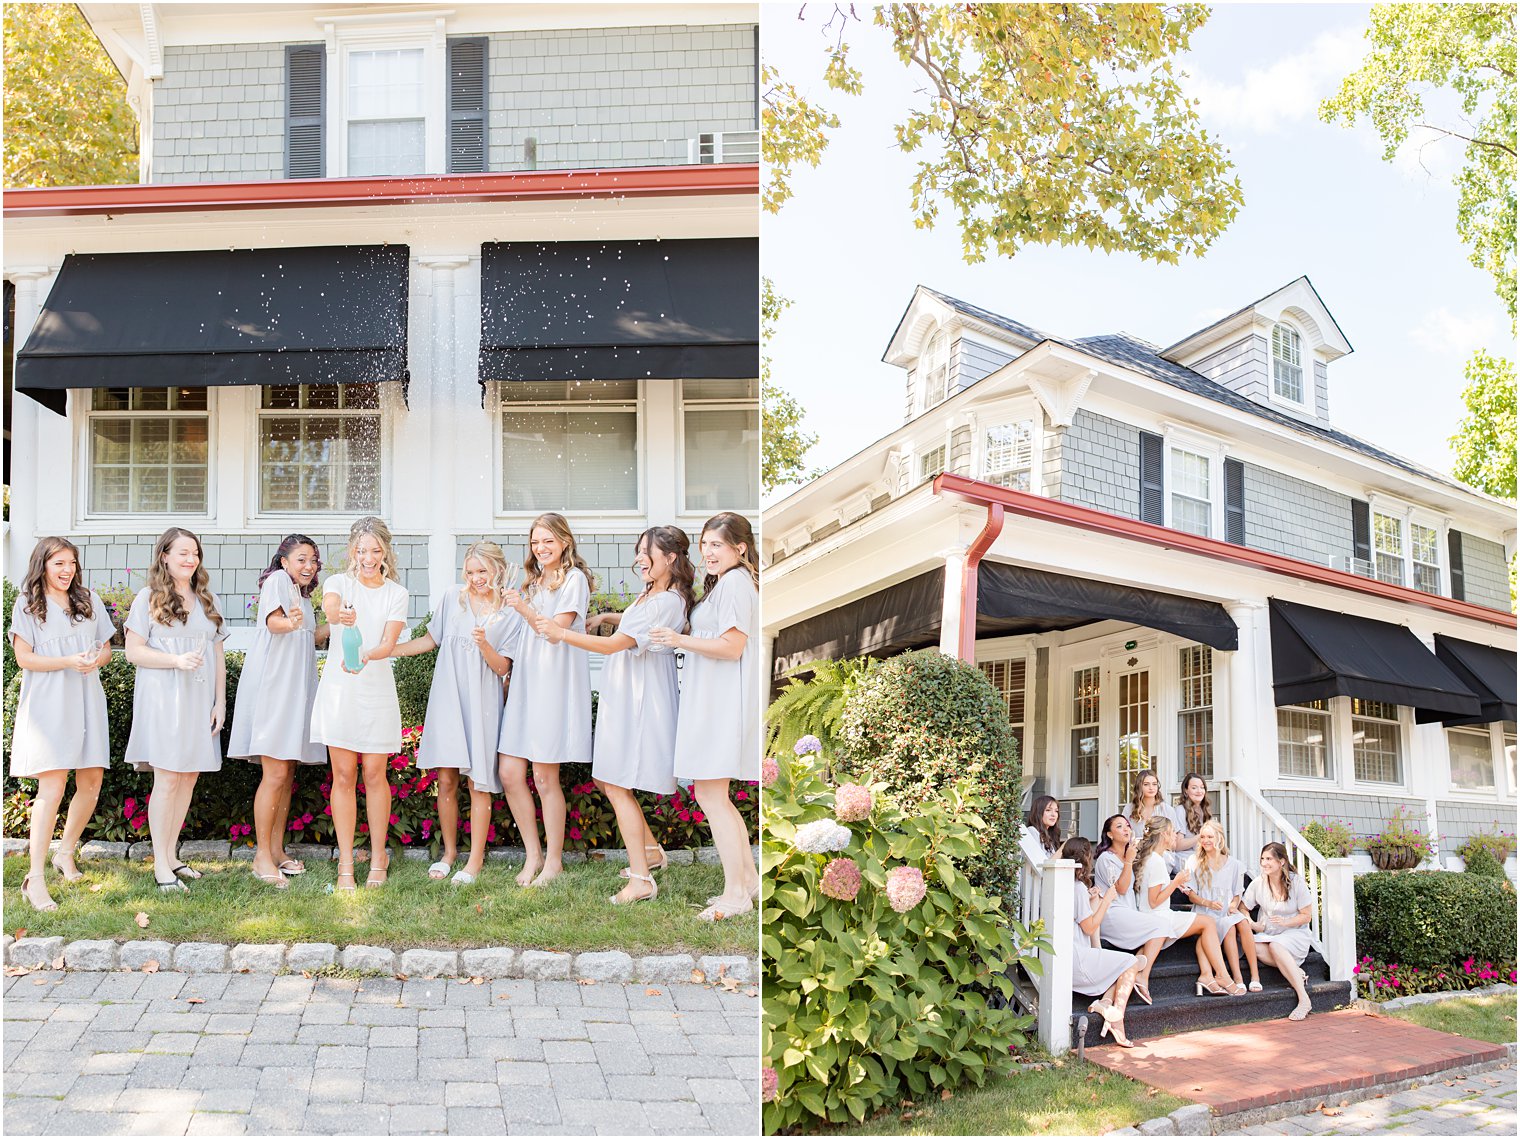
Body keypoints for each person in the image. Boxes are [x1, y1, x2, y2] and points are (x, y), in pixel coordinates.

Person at [535, 526, 692, 905]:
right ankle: (651, 852)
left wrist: (563, 634)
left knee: (617, 784)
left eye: (646, 552)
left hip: (640, 703)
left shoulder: (667, 601)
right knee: (607, 780)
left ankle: (641, 880)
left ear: (670, 558)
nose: (639, 558)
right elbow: (632, 622)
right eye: (638, 551)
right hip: (625, 695)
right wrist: (606, 615)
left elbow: (612, 648)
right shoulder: (653, 593)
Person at [652, 511, 762, 921]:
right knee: (715, 796)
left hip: (720, 703)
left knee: (711, 796)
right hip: (711, 698)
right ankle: (747, 880)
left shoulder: (735, 584)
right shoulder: (727, 585)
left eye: (717, 544)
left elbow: (732, 647)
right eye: (705, 544)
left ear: (740, 548)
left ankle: (735, 893)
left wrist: (680, 639)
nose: (708, 552)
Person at [391, 541, 521, 886]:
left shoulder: (509, 612)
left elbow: (503, 668)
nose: (476, 578)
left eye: (483, 571)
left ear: (498, 570)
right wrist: (389, 650)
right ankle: (449, 853)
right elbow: (431, 640)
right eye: (471, 571)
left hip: (482, 703)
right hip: (448, 697)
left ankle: (474, 860)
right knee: (446, 779)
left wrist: (484, 645)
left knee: (478, 783)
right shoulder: (453, 598)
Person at [9, 538, 116, 911]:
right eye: (59, 563)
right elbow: (24, 658)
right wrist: (67, 661)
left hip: (88, 697)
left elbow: (106, 647)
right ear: (43, 564)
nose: (67, 569)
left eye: (71, 562)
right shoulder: (28, 604)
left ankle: (65, 852)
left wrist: (93, 661)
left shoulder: (87, 600)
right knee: (52, 788)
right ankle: (34, 878)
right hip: (49, 702)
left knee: (91, 782)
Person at [123, 527, 229, 893]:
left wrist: (221, 702)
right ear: (164, 556)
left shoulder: (205, 599)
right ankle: (159, 864)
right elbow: (134, 652)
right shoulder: (147, 598)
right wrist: (174, 660)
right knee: (167, 780)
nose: (190, 559)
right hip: (164, 700)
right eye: (182, 552)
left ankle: (171, 856)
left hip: (200, 701)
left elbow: (217, 652)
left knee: (188, 778)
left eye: (195, 553)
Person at [310, 516, 409, 891]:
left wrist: (367, 655)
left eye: (375, 550)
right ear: (352, 550)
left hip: (376, 688)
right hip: (340, 690)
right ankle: (347, 863)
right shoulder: (339, 583)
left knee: (374, 775)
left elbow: (387, 644)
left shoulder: (395, 593)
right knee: (344, 776)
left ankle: (379, 857)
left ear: (385, 551)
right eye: (361, 550)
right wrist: (340, 615)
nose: (368, 557)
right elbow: (330, 609)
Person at [497, 513, 593, 887]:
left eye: (548, 541)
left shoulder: (574, 580)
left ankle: (553, 861)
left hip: (554, 683)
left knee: (544, 775)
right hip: (526, 680)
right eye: (535, 542)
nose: (540, 548)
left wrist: (521, 606)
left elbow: (557, 631)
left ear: (565, 541)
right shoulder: (533, 582)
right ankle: (533, 854)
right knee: (509, 773)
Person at [228, 535, 328, 889]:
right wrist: (292, 622)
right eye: (301, 558)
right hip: (274, 690)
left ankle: (276, 850)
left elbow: (310, 636)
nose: (309, 565)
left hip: (296, 691)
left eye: (313, 560)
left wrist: (344, 622)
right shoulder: (277, 582)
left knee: (286, 772)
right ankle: (260, 858)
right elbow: (276, 624)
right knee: (274, 773)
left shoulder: (302, 595)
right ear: (284, 561)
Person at [1092, 813, 1190, 1003]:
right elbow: (1120, 888)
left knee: (1160, 925)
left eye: (1127, 825)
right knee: (1161, 926)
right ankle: (1142, 975)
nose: (1126, 829)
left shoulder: (1130, 855)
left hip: (1129, 912)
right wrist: (1129, 860)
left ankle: (1131, 974)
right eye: (1119, 827)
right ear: (1110, 835)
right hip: (1112, 914)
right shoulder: (1106, 859)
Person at [1133, 815, 1235, 996]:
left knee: (1207, 923)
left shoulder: (1154, 858)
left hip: (1155, 914)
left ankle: (1208, 976)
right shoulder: (1156, 860)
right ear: (1164, 834)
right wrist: (1175, 882)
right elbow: (1154, 901)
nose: (1175, 837)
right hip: (1159, 917)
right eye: (1172, 833)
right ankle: (1220, 975)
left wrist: (1174, 883)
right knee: (1208, 923)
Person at [1061, 837, 1147, 1048]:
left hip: (1068, 956)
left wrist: (1092, 900)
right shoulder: (1078, 888)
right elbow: (1089, 927)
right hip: (1077, 959)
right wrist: (1107, 900)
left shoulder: (1065, 885)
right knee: (1132, 963)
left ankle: (1105, 1003)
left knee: (1136, 961)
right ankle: (1117, 1018)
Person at [1242, 842, 1317, 1020]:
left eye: (1269, 859)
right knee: (1251, 944)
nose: (1264, 863)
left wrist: (1286, 922)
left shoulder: (1296, 882)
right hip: (1268, 935)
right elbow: (1242, 908)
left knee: (1275, 946)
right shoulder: (1258, 883)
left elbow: (1306, 916)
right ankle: (1294, 970)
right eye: (1262, 859)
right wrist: (1253, 924)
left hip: (1295, 934)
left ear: (1281, 861)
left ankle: (1304, 999)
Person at [1183, 819, 1257, 994]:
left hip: (1227, 910)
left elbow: (1237, 893)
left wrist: (1233, 905)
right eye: (1202, 837)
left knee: (1243, 923)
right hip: (1205, 912)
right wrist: (1207, 902)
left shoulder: (1235, 864)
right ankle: (1237, 978)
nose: (1206, 840)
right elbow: (1191, 895)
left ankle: (1255, 976)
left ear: (1219, 838)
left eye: (1210, 836)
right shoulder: (1194, 861)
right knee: (1230, 927)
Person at [1126, 767, 1182, 872]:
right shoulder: (1129, 809)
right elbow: (1125, 836)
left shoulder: (1167, 810)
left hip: (1162, 855)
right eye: (1146, 784)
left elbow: (1174, 844)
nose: (1151, 788)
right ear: (1139, 786)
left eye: (1154, 784)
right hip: (1137, 854)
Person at [1171, 771, 1214, 865]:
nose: (1199, 791)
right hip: (1184, 858)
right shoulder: (1180, 810)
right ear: (1186, 790)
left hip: (1202, 854)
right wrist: (1201, 836)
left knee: (1233, 864)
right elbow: (1177, 845)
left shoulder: (1204, 810)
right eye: (1194, 788)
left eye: (1202, 787)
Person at [1023, 795, 1063, 859]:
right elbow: (1040, 863)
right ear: (1038, 813)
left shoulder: (1050, 836)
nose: (1053, 814)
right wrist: (1063, 848)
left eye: (1056, 811)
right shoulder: (1032, 831)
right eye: (1048, 810)